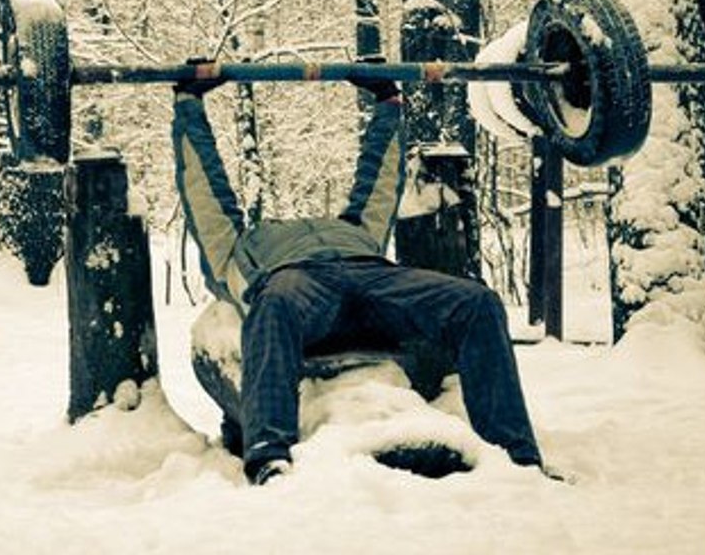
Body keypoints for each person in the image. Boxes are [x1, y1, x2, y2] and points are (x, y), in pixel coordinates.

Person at [172, 74, 545, 486]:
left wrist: (386, 99)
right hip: (296, 284)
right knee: (273, 304)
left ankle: (516, 458)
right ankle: (268, 458)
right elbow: (205, 187)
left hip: (372, 277)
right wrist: (189, 101)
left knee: (477, 302)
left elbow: (379, 176)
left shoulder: (358, 227)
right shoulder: (236, 246)